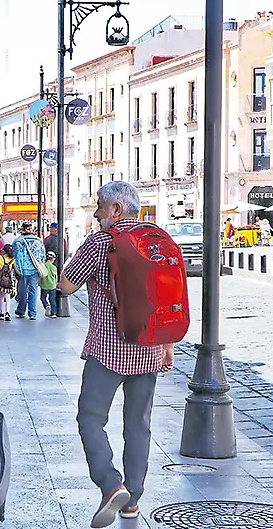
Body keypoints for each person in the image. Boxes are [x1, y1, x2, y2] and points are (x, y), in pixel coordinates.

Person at [58, 181, 174, 527]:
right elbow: (167, 297)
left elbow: (66, 285)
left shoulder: (98, 242)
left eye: (99, 207)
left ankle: (111, 484)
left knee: (90, 418)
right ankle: (132, 502)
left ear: (116, 210)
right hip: (149, 350)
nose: (95, 214)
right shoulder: (158, 239)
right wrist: (166, 345)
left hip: (107, 351)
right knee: (138, 426)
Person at [11, 222, 46, 320]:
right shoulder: (38, 241)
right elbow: (43, 256)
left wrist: (16, 270)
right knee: (33, 291)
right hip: (35, 269)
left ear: (22, 230)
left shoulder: (17, 241)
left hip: (22, 270)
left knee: (22, 292)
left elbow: (15, 256)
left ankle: (21, 310)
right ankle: (32, 313)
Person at [43, 222, 66, 312]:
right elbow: (65, 254)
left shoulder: (47, 239)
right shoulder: (63, 240)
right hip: (58, 266)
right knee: (55, 285)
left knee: (46, 284)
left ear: (51, 229)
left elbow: (43, 253)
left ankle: (47, 303)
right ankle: (54, 308)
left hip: (48, 265)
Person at [0, 244, 17, 321]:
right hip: (9, 280)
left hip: (0, 279)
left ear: (4, 251)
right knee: (8, 297)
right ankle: (7, 313)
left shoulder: (0, 258)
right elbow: (16, 270)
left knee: (1, 297)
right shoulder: (12, 259)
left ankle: (2, 313)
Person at [39, 251, 59, 318]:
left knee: (42, 298)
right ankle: (53, 313)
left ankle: (46, 305)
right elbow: (56, 277)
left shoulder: (43, 265)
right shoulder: (54, 267)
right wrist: (55, 283)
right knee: (52, 299)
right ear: (53, 259)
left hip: (44, 285)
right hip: (52, 286)